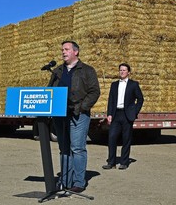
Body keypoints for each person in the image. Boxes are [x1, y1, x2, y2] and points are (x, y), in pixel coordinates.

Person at [48, 40, 100, 193]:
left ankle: (78, 182)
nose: (63, 52)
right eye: (62, 49)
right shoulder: (57, 71)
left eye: (66, 49)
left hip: (78, 114)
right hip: (60, 115)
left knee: (77, 148)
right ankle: (65, 181)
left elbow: (94, 92)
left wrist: (82, 107)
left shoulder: (87, 70)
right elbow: (50, 90)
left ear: (76, 52)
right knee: (64, 148)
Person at [102, 63, 144, 170]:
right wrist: (109, 114)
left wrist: (134, 112)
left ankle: (124, 162)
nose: (122, 72)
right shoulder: (114, 84)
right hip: (116, 114)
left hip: (127, 115)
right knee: (112, 137)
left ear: (128, 72)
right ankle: (111, 162)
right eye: (120, 70)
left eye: (124, 70)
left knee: (126, 139)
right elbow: (111, 100)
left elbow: (140, 99)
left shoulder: (133, 84)